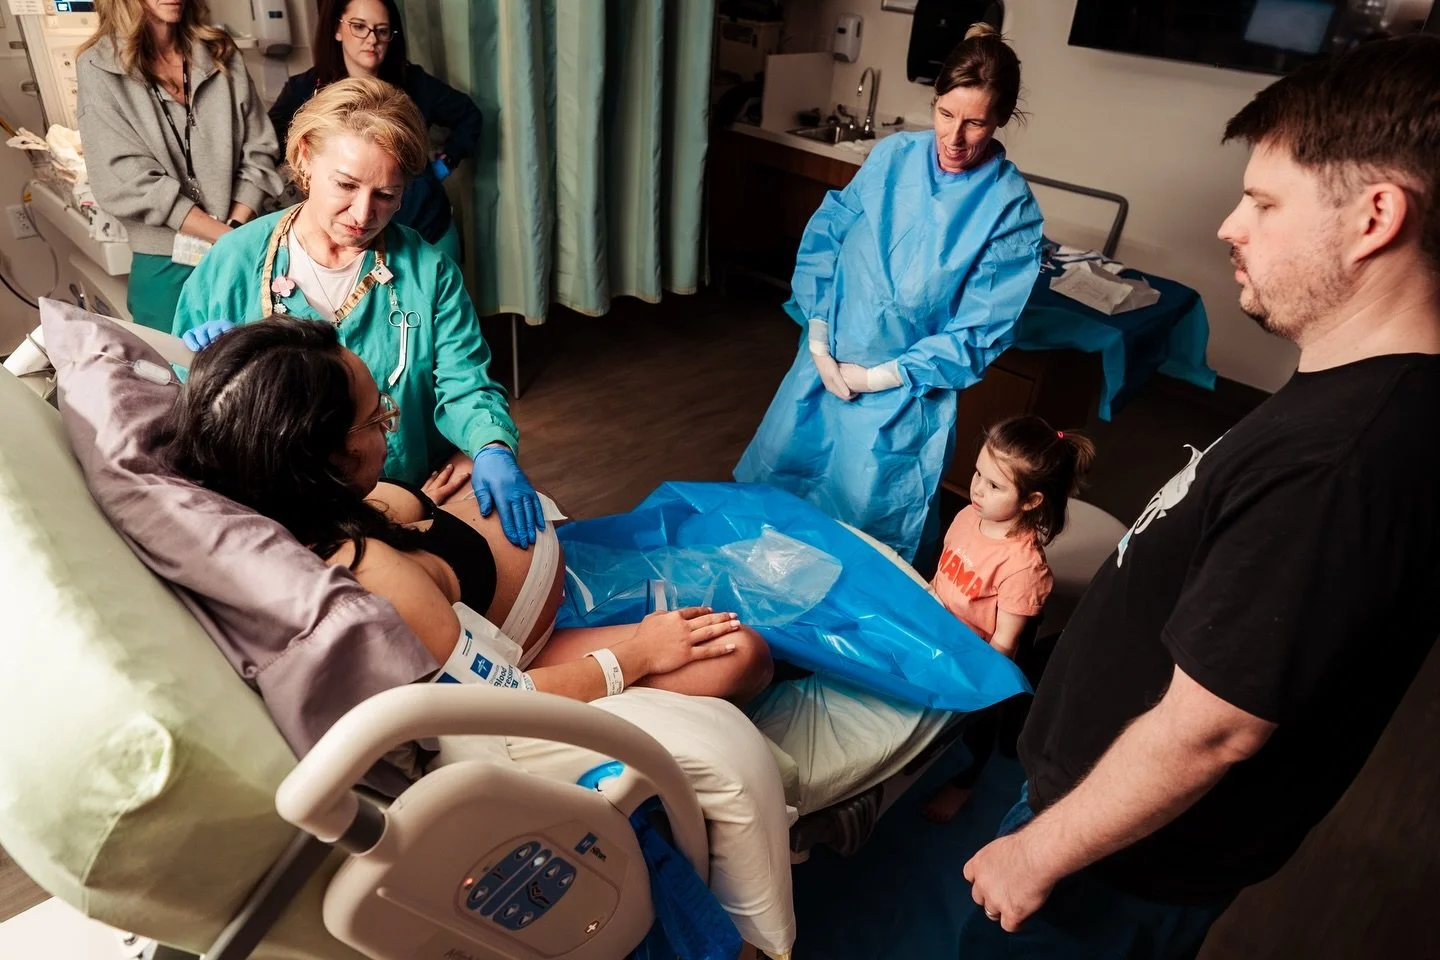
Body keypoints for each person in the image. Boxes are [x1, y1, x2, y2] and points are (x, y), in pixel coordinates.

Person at [960, 34, 1440, 958]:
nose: (1231, 225)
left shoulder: (1343, 462)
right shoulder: (1349, 397)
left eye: (1263, 201)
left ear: (1376, 216)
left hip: (1115, 862)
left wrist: (1036, 854)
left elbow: (1213, 728)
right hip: (1102, 813)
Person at [164, 315, 774, 704]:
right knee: (742, 653)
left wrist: (461, 472)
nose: (389, 427)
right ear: (328, 454)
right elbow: (500, 699)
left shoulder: (302, 497)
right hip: (527, 657)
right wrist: (638, 654)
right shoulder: (373, 572)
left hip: (510, 600)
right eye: (379, 418)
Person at [172, 77, 543, 550]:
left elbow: (465, 385)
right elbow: (185, 401)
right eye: (346, 185)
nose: (362, 214)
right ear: (304, 157)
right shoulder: (233, 263)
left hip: (409, 494)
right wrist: (200, 366)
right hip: (280, 522)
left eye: (387, 195)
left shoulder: (430, 274)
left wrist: (491, 445)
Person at [734, 23, 1044, 564]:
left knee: (862, 544)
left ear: (1001, 120)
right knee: (773, 508)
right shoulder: (893, 156)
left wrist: (879, 376)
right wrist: (819, 337)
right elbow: (831, 236)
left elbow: (978, 330)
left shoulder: (1008, 208)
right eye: (945, 115)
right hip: (822, 371)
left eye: (975, 123)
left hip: (902, 399)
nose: (954, 137)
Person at [921, 416, 1093, 824]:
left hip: (979, 660)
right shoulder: (969, 515)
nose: (977, 488)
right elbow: (944, 573)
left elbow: (1003, 646)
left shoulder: (1022, 567)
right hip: (941, 635)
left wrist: (975, 687)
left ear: (1032, 501)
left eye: (994, 485)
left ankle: (965, 780)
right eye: (979, 473)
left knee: (978, 728)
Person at [76, 0, 282, 331]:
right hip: (167, 261)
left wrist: (234, 227)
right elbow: (127, 178)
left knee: (259, 371)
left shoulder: (220, 54)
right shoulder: (99, 68)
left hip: (242, 241)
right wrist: (223, 236)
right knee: (177, 377)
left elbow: (259, 148)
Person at [267, 0, 481, 262]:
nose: (372, 39)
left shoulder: (413, 82)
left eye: (381, 31)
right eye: (359, 27)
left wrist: (440, 168)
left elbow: (469, 115)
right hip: (350, 241)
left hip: (425, 226)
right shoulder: (305, 88)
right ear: (337, 29)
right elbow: (268, 142)